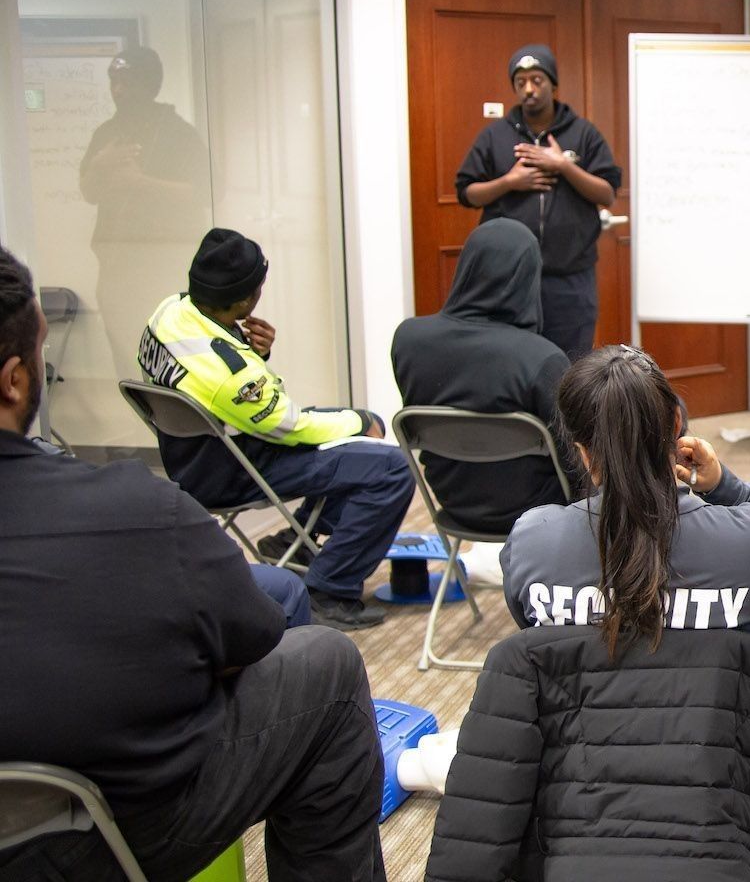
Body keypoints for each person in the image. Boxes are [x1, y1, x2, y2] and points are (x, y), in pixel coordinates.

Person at [0, 246, 386, 882]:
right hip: (100, 842)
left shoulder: (166, 321)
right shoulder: (133, 512)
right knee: (325, 661)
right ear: (16, 380)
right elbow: (247, 645)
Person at [139, 228, 412, 631]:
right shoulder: (232, 375)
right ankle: (329, 589)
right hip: (235, 471)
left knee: (346, 442)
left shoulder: (167, 314)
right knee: (390, 467)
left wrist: (255, 351)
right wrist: (361, 421)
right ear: (249, 298)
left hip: (198, 455)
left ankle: (297, 541)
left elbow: (237, 391)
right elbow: (293, 426)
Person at [501, 344, 750, 641]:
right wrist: (723, 486)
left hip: (583, 698)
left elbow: (531, 631)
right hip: (712, 694)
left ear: (583, 453)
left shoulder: (529, 543)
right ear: (677, 423)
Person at [392, 218, 571, 533]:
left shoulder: (408, 340)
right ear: (528, 276)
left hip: (454, 505)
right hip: (538, 511)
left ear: (467, 267)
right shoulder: (542, 358)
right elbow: (576, 458)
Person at [454, 44, 619, 360]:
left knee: (569, 366)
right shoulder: (494, 137)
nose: (528, 89)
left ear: (553, 85)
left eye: (537, 80)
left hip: (570, 280)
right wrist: (510, 182)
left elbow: (606, 193)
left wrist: (564, 166)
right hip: (508, 280)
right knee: (513, 364)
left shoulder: (584, 134)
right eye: (520, 82)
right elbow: (467, 193)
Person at [77, 45, 212, 379]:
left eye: (127, 81)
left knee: (173, 357)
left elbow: (206, 192)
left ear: (149, 84)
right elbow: (89, 192)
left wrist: (140, 183)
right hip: (115, 266)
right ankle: (136, 420)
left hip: (165, 266)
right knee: (125, 357)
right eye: (114, 81)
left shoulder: (179, 134)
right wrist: (99, 164)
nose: (118, 90)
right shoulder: (106, 134)